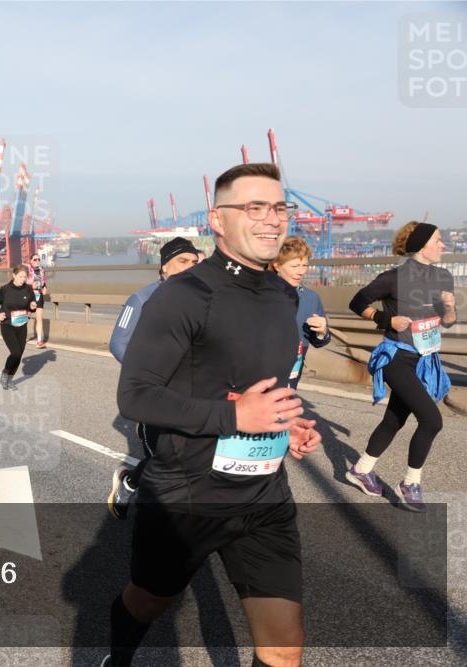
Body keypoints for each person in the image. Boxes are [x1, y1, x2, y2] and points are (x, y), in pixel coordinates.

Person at [106, 162, 322, 667]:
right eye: (254, 207)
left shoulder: (284, 295)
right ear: (218, 219)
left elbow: (258, 387)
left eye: (279, 207)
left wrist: (284, 422)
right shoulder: (182, 296)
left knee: (285, 649)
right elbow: (135, 396)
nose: (271, 218)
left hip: (265, 494)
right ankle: (117, 657)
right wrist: (235, 417)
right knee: (147, 603)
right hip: (188, 495)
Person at [345, 222, 456, 512]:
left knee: (394, 420)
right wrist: (386, 320)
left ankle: (360, 470)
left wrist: (449, 308)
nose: (443, 245)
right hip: (396, 358)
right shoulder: (393, 278)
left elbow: (447, 321)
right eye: (438, 240)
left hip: (424, 360)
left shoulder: (442, 277)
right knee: (432, 421)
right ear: (421, 245)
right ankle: (410, 484)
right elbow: (357, 302)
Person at [107, 236, 202, 518]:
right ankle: (129, 484)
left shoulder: (206, 300)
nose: (191, 267)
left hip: (194, 394)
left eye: (195, 261)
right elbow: (118, 344)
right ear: (164, 268)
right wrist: (152, 375)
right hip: (157, 393)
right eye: (182, 261)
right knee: (164, 458)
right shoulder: (142, 299)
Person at [269, 236, 331, 389]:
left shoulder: (311, 298)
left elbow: (318, 341)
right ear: (277, 265)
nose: (301, 271)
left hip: (290, 377)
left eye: (305, 265)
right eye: (295, 266)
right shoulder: (257, 293)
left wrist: (322, 332)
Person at [0, 265, 39, 390]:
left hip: (22, 325)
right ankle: (5, 373)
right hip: (8, 325)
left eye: (25, 277)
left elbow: (31, 304)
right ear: (14, 275)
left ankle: (10, 379)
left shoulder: (28, 289)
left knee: (19, 354)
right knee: (15, 352)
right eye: (21, 276)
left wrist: (32, 306)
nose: (23, 279)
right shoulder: (5, 289)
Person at [26, 253, 49, 348]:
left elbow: (44, 283)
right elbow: (21, 284)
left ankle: (39, 341)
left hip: (39, 296)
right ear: (30, 261)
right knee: (26, 318)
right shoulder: (27, 270)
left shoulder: (41, 270)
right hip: (29, 296)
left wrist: (45, 288)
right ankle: (21, 336)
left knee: (39, 319)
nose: (37, 261)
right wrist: (31, 287)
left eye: (38, 259)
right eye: (35, 259)